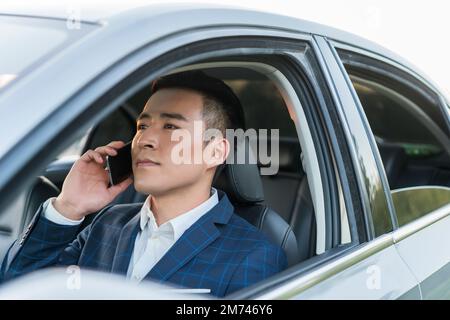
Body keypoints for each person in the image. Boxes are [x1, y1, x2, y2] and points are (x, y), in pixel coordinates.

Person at [0, 71, 287, 297]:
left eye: (171, 126)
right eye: (142, 126)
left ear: (215, 151)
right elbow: (18, 287)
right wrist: (68, 206)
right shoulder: (107, 223)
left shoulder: (253, 254)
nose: (145, 140)